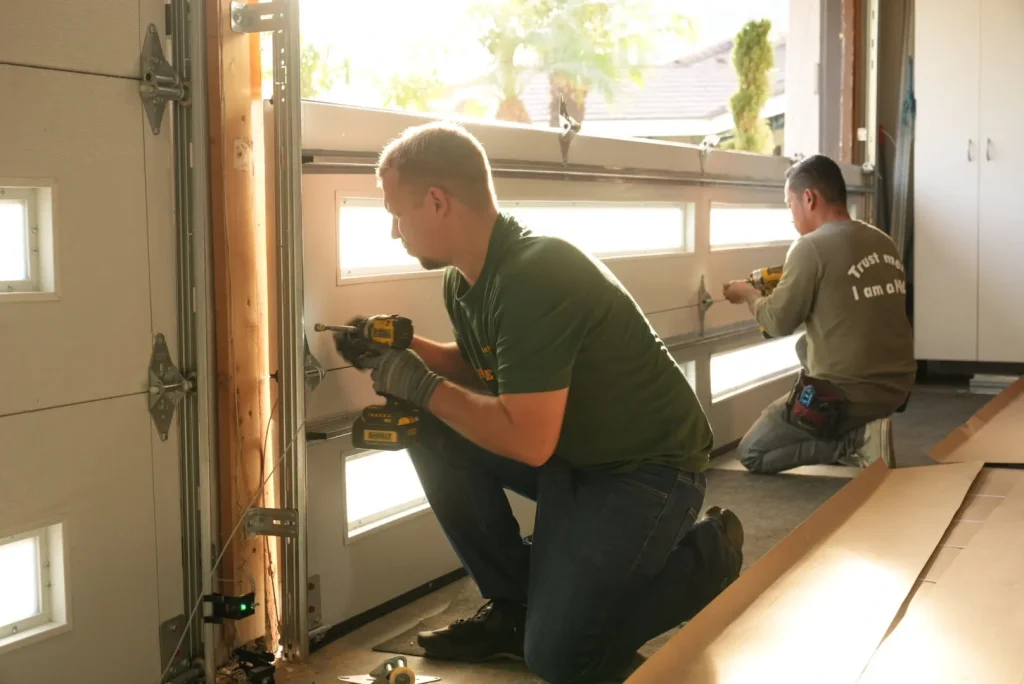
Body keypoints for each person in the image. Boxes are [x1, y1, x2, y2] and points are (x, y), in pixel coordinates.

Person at [335, 121, 743, 684]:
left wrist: (420, 382)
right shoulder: (465, 280)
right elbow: (485, 364)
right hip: (575, 461)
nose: (393, 231)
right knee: (422, 423)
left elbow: (527, 440)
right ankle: (513, 608)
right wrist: (399, 348)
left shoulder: (536, 274)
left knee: (560, 659)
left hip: (646, 471)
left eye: (395, 213)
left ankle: (705, 561)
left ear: (436, 202)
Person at [722, 154, 916, 475]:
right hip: (898, 388)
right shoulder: (883, 241)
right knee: (805, 348)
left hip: (848, 396)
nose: (792, 217)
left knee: (752, 452)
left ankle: (854, 441)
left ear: (809, 198)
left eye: (789, 205)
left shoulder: (809, 248)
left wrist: (748, 294)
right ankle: (864, 429)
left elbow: (776, 323)